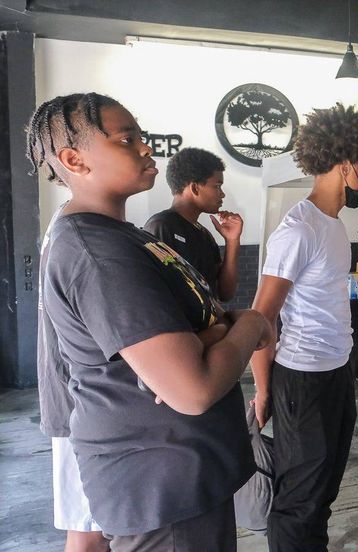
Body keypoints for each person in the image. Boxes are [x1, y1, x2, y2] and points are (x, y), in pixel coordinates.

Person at [26, 92, 273, 550]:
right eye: (127, 139)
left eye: (141, 135)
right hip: (161, 489)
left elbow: (208, 318)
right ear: (73, 159)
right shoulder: (97, 254)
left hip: (187, 476)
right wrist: (253, 324)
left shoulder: (127, 238)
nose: (146, 148)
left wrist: (215, 331)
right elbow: (192, 387)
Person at [249, 103, 358, 551]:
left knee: (322, 494)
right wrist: (265, 392)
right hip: (302, 381)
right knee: (299, 500)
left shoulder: (334, 226)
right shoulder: (298, 231)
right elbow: (260, 318)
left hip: (336, 371)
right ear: (345, 166)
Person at [37, 202, 108, 552]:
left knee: (92, 528)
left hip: (77, 403)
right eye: (126, 142)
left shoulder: (67, 227)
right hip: (78, 407)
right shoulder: (78, 234)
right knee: (87, 531)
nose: (143, 151)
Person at [143, 147, 242, 301]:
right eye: (217, 186)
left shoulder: (204, 234)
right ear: (195, 188)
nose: (222, 194)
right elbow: (157, 294)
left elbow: (225, 294)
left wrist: (232, 241)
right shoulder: (162, 226)